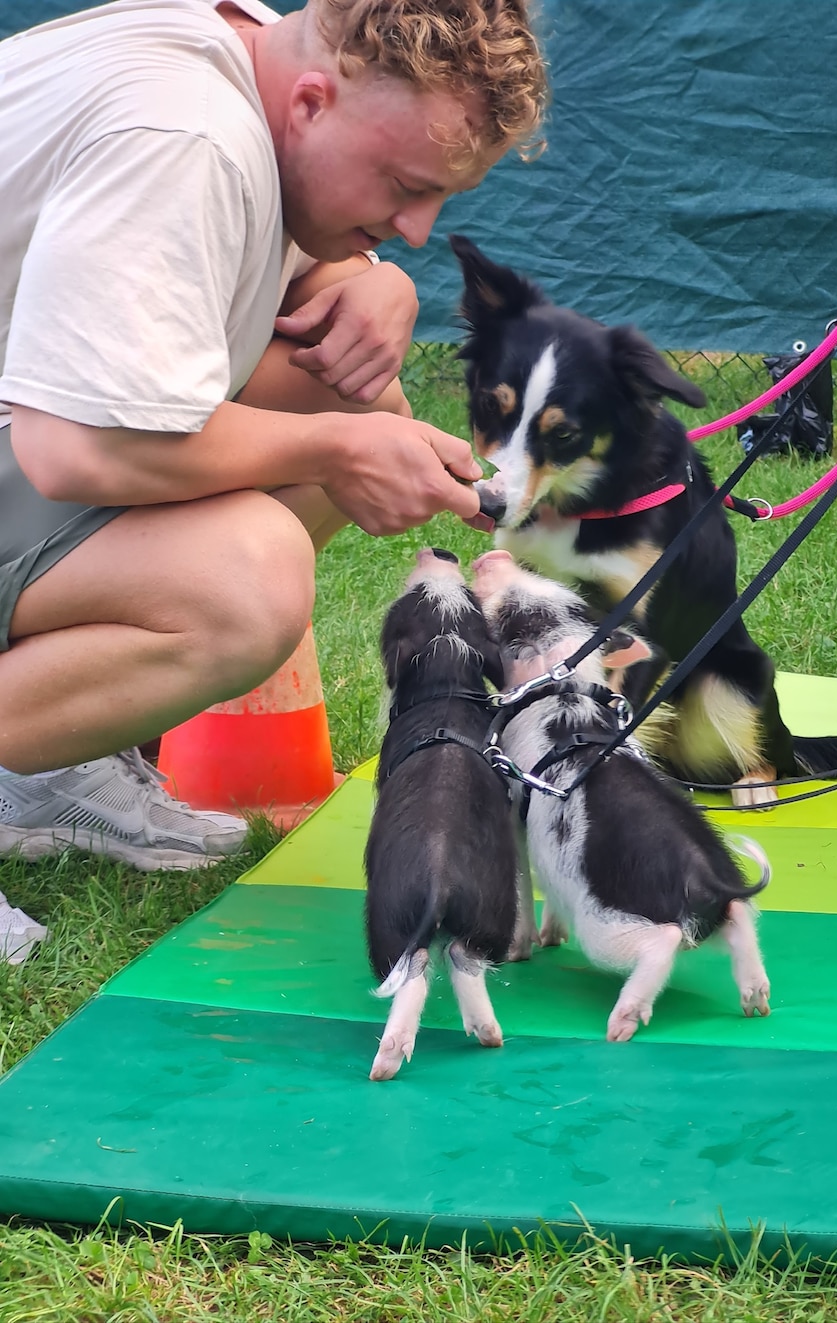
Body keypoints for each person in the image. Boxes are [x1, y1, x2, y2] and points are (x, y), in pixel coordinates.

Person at [0, 0, 547, 876]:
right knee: (244, 582)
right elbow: (71, 447)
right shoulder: (188, 138)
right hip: (45, 435)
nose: (419, 228)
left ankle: (35, 771)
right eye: (407, 187)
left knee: (353, 395)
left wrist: (368, 279)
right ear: (310, 105)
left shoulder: (246, 41)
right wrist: (333, 450)